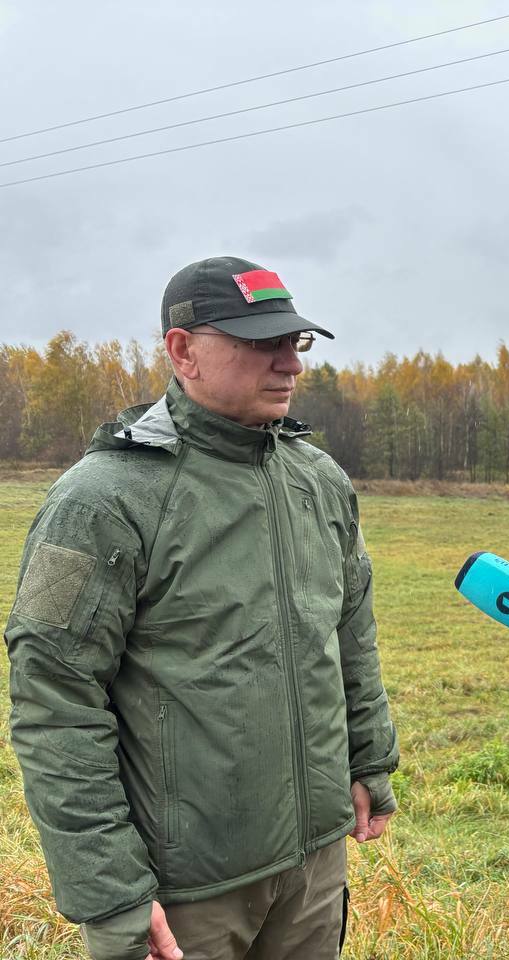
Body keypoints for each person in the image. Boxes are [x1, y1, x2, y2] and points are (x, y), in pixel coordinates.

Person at [4, 256, 399, 960]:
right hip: (184, 897)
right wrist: (111, 893)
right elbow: (52, 701)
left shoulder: (319, 481)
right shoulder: (98, 501)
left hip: (310, 869)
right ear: (182, 351)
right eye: (260, 342)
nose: (289, 364)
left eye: (295, 342)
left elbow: (350, 631)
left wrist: (368, 758)